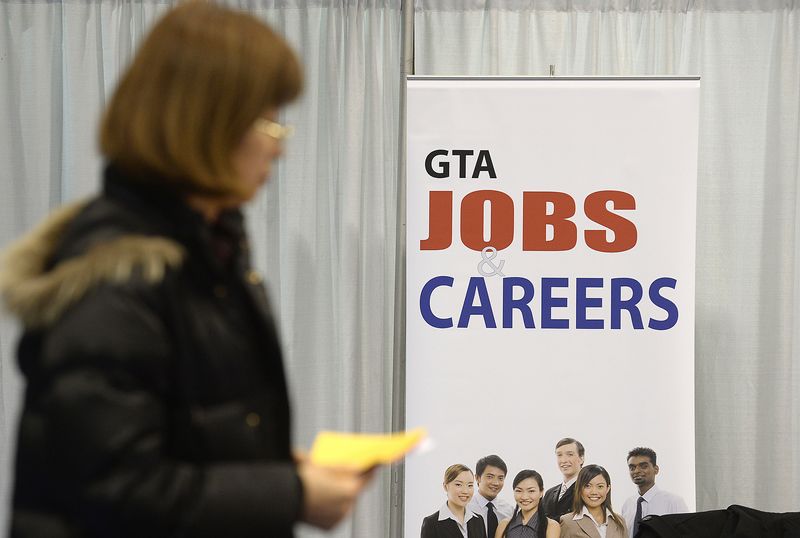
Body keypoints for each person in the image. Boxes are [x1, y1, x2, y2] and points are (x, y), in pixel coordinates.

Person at [0, 3, 372, 537]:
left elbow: (186, 433)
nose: (278, 148)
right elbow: (118, 489)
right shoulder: (120, 277)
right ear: (205, 124)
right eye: (267, 121)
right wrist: (291, 494)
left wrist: (277, 467)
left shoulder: (209, 255)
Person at [620, 448, 688, 537]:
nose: (636, 471)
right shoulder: (628, 504)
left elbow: (685, 534)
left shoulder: (674, 502)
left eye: (643, 466)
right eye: (632, 468)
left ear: (656, 469)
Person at [559, 465, 627, 538]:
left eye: (600, 486)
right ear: (579, 488)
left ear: (607, 488)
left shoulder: (619, 521)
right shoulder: (567, 522)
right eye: (587, 486)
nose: (594, 492)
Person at [421, 464, 488, 538]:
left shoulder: (478, 520)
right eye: (458, 484)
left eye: (470, 485)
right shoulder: (431, 523)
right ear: (446, 486)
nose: (465, 491)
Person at [495, 470, 560, 538]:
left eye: (531, 491)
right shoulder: (504, 525)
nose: (524, 497)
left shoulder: (551, 526)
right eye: (519, 491)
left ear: (541, 492)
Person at [468, 455, 515, 538]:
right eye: (490, 477)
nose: (495, 483)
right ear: (478, 478)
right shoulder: (466, 508)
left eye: (500, 478)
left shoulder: (510, 511)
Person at [542, 437, 585, 521]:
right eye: (559, 455)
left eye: (570, 454)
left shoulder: (586, 490)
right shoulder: (549, 493)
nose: (564, 460)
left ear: (581, 458)